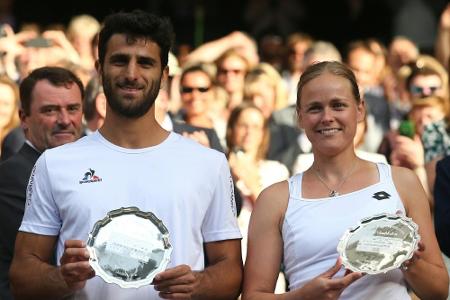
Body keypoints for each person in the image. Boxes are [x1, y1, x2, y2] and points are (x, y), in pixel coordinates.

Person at [9, 10, 242, 300]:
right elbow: (21, 277)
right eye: (120, 60)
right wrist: (62, 278)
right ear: (100, 68)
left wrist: (200, 284)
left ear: (164, 74)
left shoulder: (208, 164)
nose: (132, 74)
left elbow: (232, 271)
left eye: (145, 63)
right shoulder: (54, 164)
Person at [242, 61, 448, 300]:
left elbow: (439, 291)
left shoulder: (402, 182)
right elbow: (253, 296)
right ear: (299, 117)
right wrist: (300, 297)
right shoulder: (275, 199)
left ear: (360, 110)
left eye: (338, 105)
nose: (327, 117)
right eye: (314, 108)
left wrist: (407, 259)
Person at [0, 66, 84, 300]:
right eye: (50, 110)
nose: (65, 120)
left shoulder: (89, 168)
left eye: (73, 109)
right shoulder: (11, 177)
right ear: (24, 119)